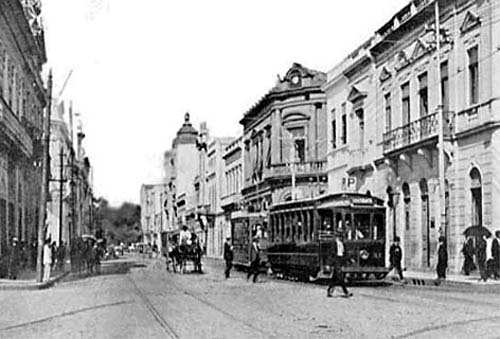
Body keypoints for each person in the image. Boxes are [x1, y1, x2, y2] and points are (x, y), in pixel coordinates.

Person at [327, 232, 352, 298]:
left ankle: (329, 291)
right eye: (339, 236)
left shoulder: (343, 243)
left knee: (334, 277)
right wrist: (329, 264)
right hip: (336, 260)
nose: (341, 238)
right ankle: (346, 292)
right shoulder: (334, 243)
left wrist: (349, 260)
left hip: (341, 260)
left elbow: (345, 252)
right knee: (340, 276)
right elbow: (331, 254)